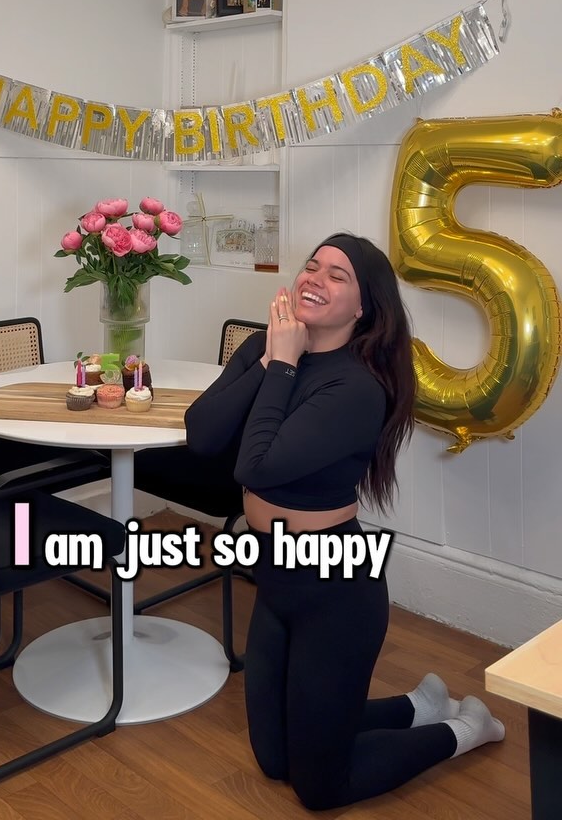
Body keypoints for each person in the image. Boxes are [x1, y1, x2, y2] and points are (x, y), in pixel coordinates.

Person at [185, 233, 505, 812]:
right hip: (274, 578)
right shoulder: (266, 346)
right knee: (274, 760)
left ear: (363, 307)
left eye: (337, 275)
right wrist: (270, 359)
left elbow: (255, 465)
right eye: (312, 266)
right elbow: (202, 434)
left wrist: (284, 364)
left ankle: (464, 729)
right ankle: (419, 705)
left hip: (334, 592)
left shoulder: (357, 387)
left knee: (319, 788)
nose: (315, 278)